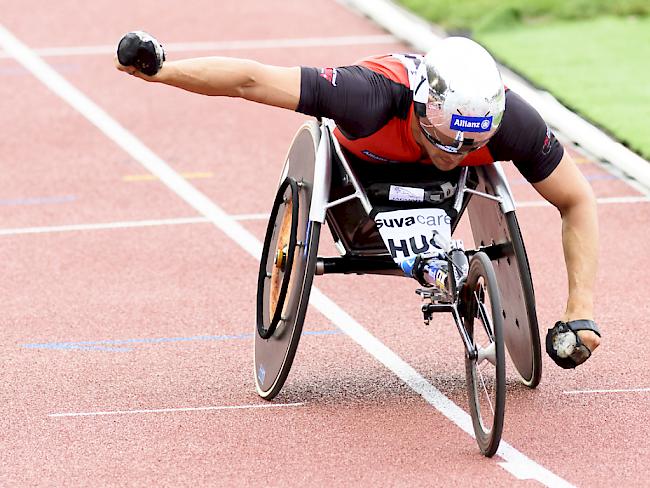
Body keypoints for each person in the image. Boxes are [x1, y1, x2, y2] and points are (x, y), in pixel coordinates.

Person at [115, 32, 601, 368]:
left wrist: (580, 307)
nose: (452, 156)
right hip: (359, 177)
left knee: (460, 171)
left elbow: (577, 201)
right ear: (419, 106)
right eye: (442, 140)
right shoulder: (365, 95)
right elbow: (252, 80)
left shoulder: (513, 124)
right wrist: (163, 72)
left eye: (470, 146)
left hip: (443, 199)